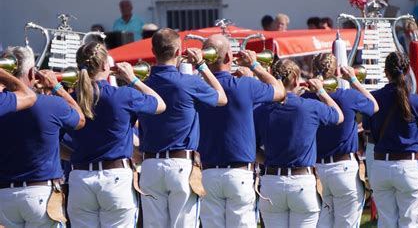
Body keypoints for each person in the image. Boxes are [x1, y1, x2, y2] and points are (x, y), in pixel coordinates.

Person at [66, 42, 166, 227]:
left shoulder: (70, 99)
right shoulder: (123, 94)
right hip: (115, 178)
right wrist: (133, 79)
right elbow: (160, 104)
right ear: (105, 65)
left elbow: (58, 144)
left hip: (80, 177)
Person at [138, 28, 227, 227]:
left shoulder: (143, 83)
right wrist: (202, 65)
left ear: (153, 51)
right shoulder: (189, 82)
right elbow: (221, 98)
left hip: (150, 164)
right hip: (180, 164)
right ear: (178, 52)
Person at [197, 34, 285, 227]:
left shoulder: (199, 90)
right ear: (229, 57)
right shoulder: (245, 85)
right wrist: (255, 66)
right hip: (239, 174)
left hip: (209, 173)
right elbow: (280, 91)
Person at [0, 46, 85, 227]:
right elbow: (80, 120)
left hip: (4, 195)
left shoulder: (3, 104)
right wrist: (57, 87)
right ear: (32, 72)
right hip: (40, 194)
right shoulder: (51, 104)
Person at [254, 59, 344, 228]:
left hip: (272, 180)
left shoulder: (261, 110)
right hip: (302, 182)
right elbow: (339, 116)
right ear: (295, 79)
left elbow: (252, 149)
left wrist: (268, 161)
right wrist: (322, 92)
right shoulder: (310, 106)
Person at [305, 53, 378, 228]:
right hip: (344, 168)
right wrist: (354, 80)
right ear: (336, 71)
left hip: (318, 170)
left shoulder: (306, 99)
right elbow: (374, 106)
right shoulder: (348, 96)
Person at [367, 51, 418, 228]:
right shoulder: (417, 100)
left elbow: (367, 128)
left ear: (385, 72)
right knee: (410, 222)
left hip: (380, 165)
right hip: (408, 166)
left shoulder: (374, 98)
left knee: (386, 222)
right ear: (408, 70)